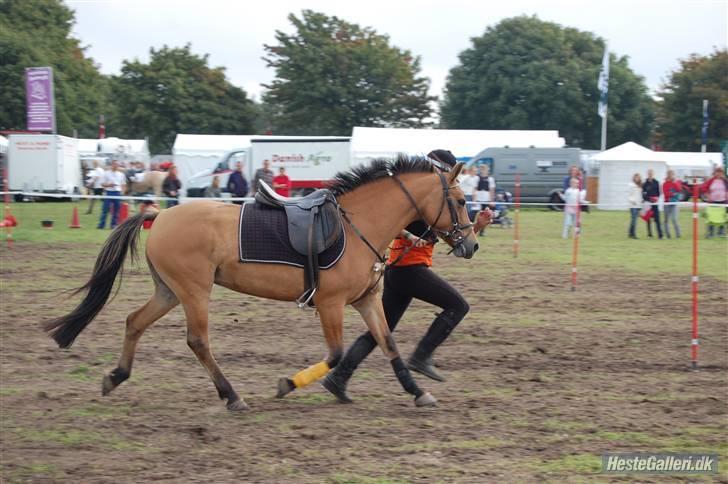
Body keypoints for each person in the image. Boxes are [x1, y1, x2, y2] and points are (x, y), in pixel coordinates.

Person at [322, 150, 494, 403]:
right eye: (447, 174)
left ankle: (338, 378)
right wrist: (412, 236)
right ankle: (421, 356)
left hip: (401, 271)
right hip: (409, 270)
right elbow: (401, 225)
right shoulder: (419, 199)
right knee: (458, 306)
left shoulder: (427, 199)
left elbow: (448, 236)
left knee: (380, 331)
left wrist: (476, 227)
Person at [97, 160, 126, 229]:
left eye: (117, 165)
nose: (116, 166)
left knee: (116, 210)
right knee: (105, 209)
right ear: (112, 165)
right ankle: (101, 225)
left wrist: (123, 192)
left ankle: (113, 225)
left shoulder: (121, 174)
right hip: (108, 192)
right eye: (114, 164)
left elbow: (123, 184)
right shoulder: (106, 173)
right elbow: (102, 184)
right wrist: (109, 185)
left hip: (117, 193)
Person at [700, 166, 728, 238]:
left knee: (722, 217)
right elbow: (703, 187)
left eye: (720, 172)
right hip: (712, 202)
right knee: (711, 217)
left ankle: (721, 233)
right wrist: (707, 195)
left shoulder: (725, 181)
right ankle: (710, 233)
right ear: (715, 173)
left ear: (722, 173)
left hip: (723, 202)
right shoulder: (711, 180)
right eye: (717, 172)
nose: (718, 174)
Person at [473, 164, 496, 236]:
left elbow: (492, 190)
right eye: (482, 169)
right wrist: (474, 199)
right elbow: (475, 189)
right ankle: (472, 229)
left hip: (486, 198)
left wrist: (491, 200)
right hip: (478, 198)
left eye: (484, 169)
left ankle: (482, 231)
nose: (483, 171)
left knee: (486, 215)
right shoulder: (477, 178)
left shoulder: (490, 179)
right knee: (474, 215)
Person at [642, 169, 663, 239]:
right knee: (648, 220)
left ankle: (660, 235)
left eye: (651, 173)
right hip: (648, 204)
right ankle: (649, 235)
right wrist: (649, 199)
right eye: (649, 173)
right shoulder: (645, 184)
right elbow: (643, 195)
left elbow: (659, 193)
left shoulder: (656, 182)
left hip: (655, 204)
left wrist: (656, 199)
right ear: (647, 174)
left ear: (653, 174)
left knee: (657, 219)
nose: (650, 174)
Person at [662, 169, 683, 239]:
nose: (670, 175)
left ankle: (678, 235)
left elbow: (679, 190)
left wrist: (674, 183)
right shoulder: (664, 183)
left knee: (674, 219)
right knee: (666, 220)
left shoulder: (676, 182)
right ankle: (668, 235)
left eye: (672, 174)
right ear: (667, 175)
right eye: (669, 174)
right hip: (667, 203)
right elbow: (666, 194)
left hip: (674, 204)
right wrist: (674, 194)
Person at [627, 173, 643, 239]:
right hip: (633, 205)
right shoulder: (631, 185)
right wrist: (632, 201)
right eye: (636, 177)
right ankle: (633, 234)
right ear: (634, 178)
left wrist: (642, 200)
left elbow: (641, 195)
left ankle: (630, 233)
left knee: (634, 220)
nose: (637, 178)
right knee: (634, 220)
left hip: (639, 205)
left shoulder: (640, 185)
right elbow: (629, 194)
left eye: (638, 177)